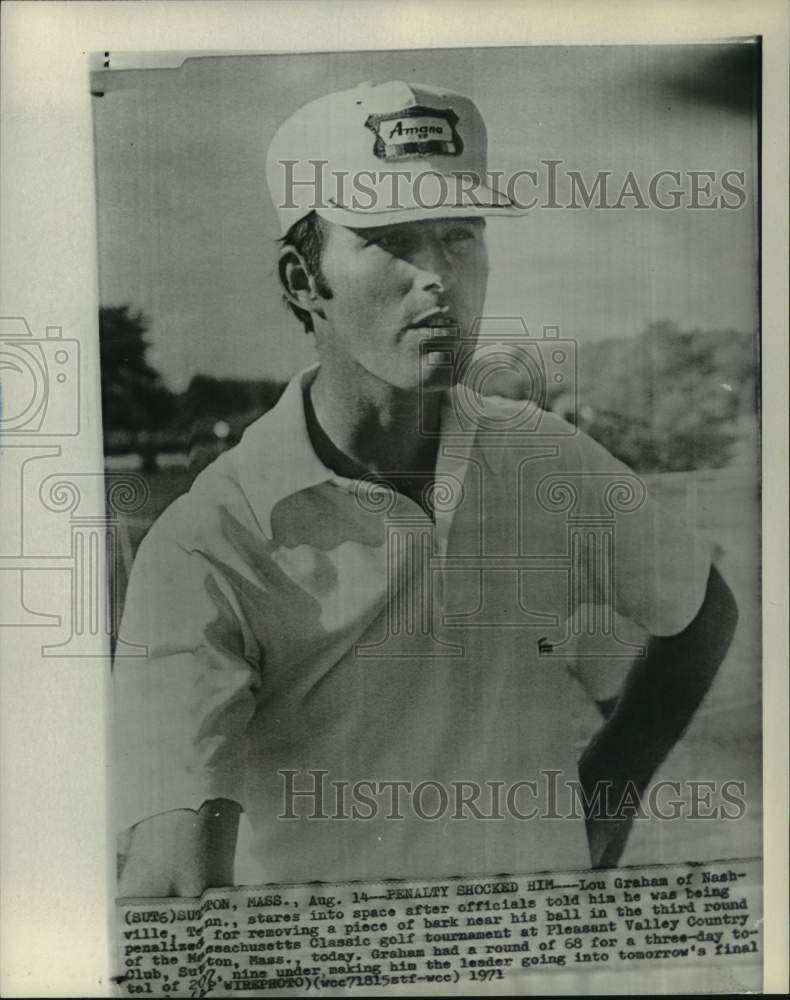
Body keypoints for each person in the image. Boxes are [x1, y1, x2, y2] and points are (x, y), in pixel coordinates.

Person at [115, 80, 738, 898]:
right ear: (304, 277)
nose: (438, 276)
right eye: (391, 240)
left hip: (536, 960)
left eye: (458, 236)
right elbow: (170, 869)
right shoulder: (210, 539)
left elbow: (703, 609)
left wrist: (611, 789)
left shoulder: (544, 456)